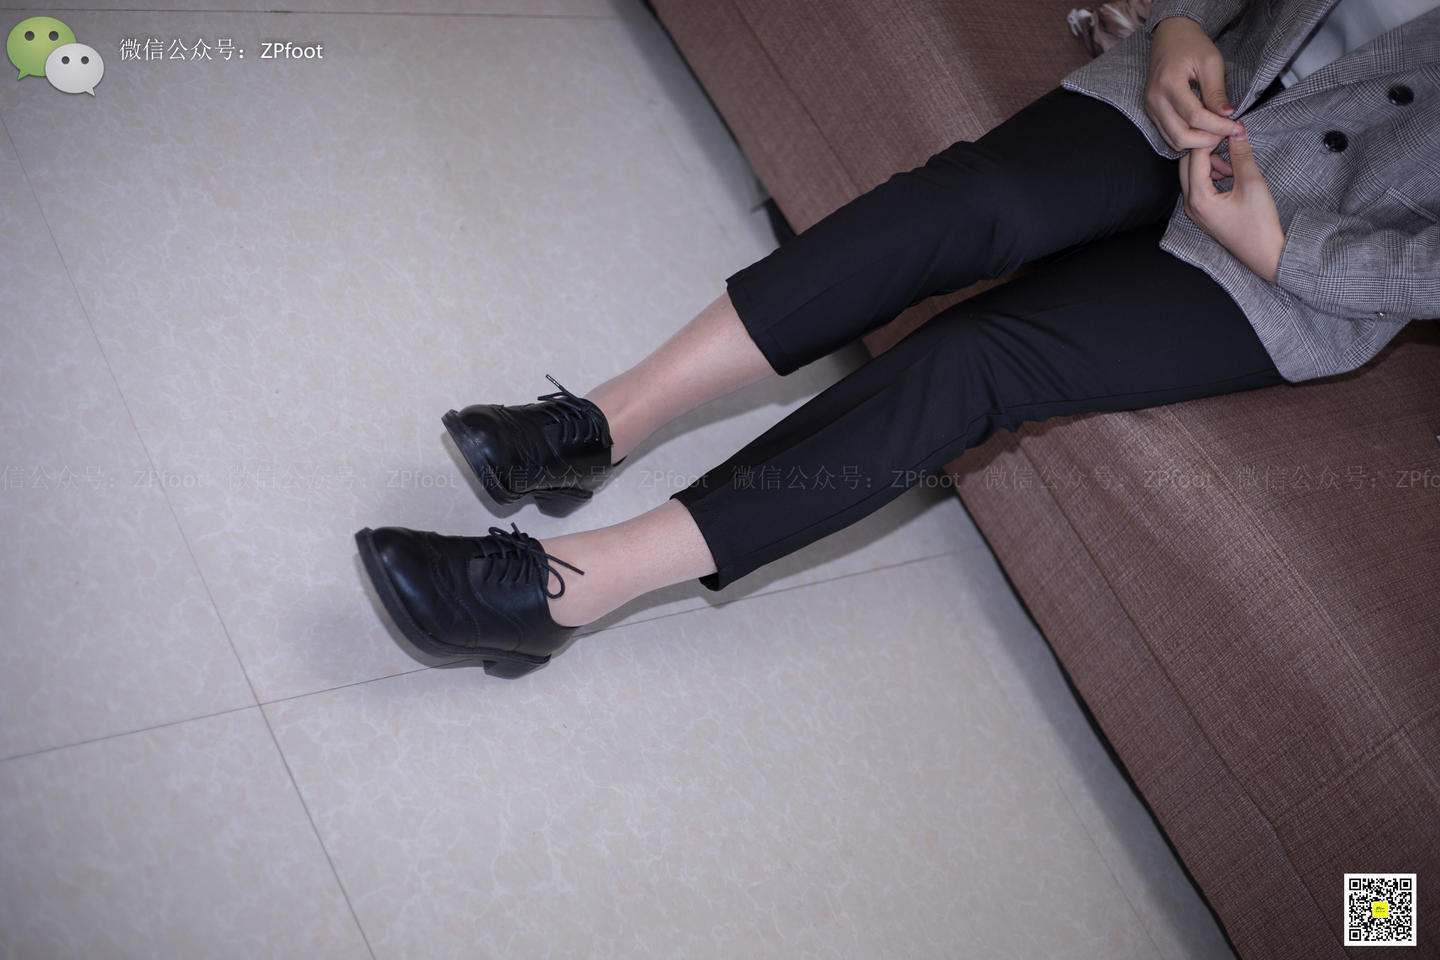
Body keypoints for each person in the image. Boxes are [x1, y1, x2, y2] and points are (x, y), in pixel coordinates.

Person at [355, 0, 1440, 679]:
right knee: (969, 204)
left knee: (981, 362)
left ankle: (569, 587)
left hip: (1313, 255)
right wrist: (1183, 22)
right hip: (1200, 87)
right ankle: (601, 425)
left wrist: (1288, 250)